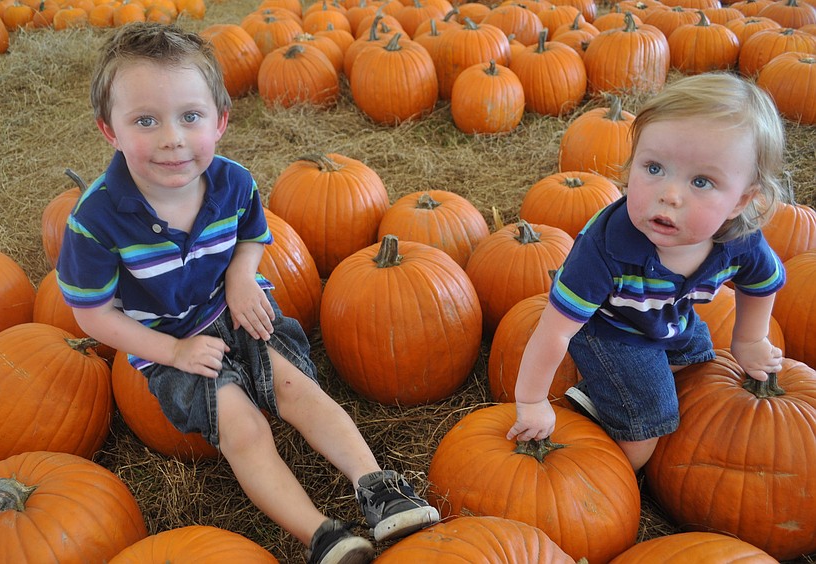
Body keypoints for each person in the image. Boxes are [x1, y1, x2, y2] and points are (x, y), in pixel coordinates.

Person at [56, 22, 438, 564]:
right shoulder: (95, 220)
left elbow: (253, 237)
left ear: (220, 121)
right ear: (109, 131)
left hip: (237, 310)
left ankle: (377, 486)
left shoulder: (233, 181)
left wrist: (239, 279)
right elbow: (91, 313)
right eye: (146, 120)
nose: (173, 138)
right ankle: (323, 535)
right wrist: (174, 352)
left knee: (298, 390)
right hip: (171, 343)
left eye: (191, 117)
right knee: (243, 429)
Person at [507, 72, 787, 472]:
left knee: (699, 356)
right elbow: (554, 330)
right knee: (649, 415)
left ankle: (602, 395)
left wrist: (750, 339)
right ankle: (614, 476)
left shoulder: (737, 240)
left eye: (701, 181)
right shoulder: (606, 247)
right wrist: (531, 401)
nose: (669, 194)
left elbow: (761, 283)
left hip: (669, 321)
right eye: (654, 168)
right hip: (610, 332)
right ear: (631, 163)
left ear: (741, 201)